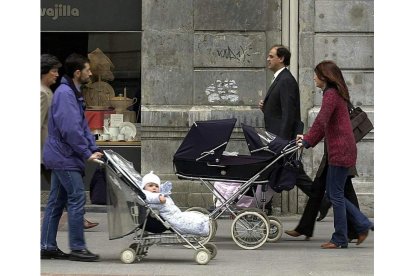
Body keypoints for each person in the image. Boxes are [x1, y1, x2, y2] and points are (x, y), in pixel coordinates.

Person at [295, 60, 373, 249]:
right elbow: (324, 124)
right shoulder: (335, 93)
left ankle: (344, 235)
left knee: (335, 195)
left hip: (339, 149)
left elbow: (321, 121)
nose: (313, 77)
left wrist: (307, 141)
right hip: (342, 148)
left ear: (324, 77)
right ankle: (358, 226)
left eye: (316, 74)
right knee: (334, 193)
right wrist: (307, 139)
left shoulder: (330, 95)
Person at [41, 53, 103, 261]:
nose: (91, 73)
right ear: (78, 73)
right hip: (63, 156)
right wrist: (86, 152)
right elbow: (70, 130)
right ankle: (77, 247)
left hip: (63, 155)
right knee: (76, 198)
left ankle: (47, 246)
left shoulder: (73, 92)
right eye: (88, 70)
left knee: (56, 202)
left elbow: (82, 125)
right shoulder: (65, 93)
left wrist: (93, 147)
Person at [258, 45, 313, 213]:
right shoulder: (280, 78)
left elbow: (289, 113)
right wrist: (266, 108)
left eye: (271, 56)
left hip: (280, 138)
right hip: (277, 137)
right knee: (282, 170)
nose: (268, 59)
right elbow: (281, 109)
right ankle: (263, 206)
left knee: (288, 171)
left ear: (281, 59)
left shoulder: (286, 80)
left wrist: (280, 142)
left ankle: (263, 207)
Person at [141, 171, 210, 236]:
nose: (154, 188)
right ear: (144, 187)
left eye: (156, 186)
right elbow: (150, 197)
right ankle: (203, 226)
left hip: (175, 214)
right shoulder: (147, 194)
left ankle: (205, 223)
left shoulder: (159, 194)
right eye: (150, 186)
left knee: (190, 217)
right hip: (172, 218)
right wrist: (159, 198)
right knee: (187, 223)